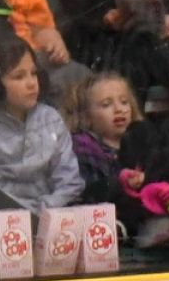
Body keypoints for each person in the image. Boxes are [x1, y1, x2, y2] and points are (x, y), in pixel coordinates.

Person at [0, 33, 81, 213]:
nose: (31, 83)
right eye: (19, 77)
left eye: (34, 74)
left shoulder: (50, 118)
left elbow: (70, 181)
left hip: (50, 215)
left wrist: (43, 210)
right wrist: (23, 214)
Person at [62, 69, 150, 238]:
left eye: (124, 102)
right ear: (86, 116)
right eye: (106, 105)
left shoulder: (145, 144)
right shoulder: (82, 153)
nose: (119, 110)